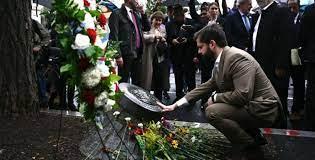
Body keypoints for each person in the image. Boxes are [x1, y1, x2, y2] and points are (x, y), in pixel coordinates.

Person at [158, 24, 284, 159]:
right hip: (252, 105)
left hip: (265, 108)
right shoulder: (223, 59)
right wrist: (175, 105)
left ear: (212, 44)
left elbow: (242, 95)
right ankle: (253, 135)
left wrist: (216, 97)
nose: (199, 52)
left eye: (201, 47)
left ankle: (249, 145)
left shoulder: (237, 58)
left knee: (213, 111)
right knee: (211, 106)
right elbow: (208, 85)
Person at [251, 0, 291, 127]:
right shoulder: (259, 14)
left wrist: (281, 65)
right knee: (263, 100)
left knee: (277, 98)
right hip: (259, 65)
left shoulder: (281, 11)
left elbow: (286, 40)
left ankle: (280, 131)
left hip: (274, 66)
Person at [109, 0, 150, 85]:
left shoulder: (136, 14)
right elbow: (113, 36)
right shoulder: (117, 14)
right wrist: (118, 55)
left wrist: (143, 12)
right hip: (125, 55)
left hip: (138, 53)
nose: (138, 2)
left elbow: (147, 28)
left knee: (137, 84)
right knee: (123, 82)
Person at [166, 5, 197, 101]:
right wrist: (172, 41)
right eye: (176, 14)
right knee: (178, 77)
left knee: (190, 77)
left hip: (189, 54)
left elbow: (195, 37)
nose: (178, 16)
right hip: (176, 55)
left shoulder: (190, 23)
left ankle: (192, 97)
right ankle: (179, 96)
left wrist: (187, 40)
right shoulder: (169, 24)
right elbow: (168, 38)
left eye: (180, 14)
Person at [140, 11, 169, 100]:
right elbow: (144, 37)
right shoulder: (147, 27)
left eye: (160, 20)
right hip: (149, 57)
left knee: (159, 81)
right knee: (147, 80)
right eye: (156, 20)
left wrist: (163, 39)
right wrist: (154, 36)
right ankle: (146, 100)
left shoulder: (163, 29)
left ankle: (158, 100)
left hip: (160, 58)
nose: (158, 22)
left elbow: (165, 41)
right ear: (152, 20)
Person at [287, 0, 305, 120]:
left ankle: (297, 109)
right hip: (287, 54)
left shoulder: (302, 18)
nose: (292, 10)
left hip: (298, 55)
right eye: (290, 7)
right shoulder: (286, 18)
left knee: (298, 83)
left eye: (294, 7)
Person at [300, 1, 315, 131]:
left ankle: (310, 124)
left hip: (313, 57)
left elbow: (302, 34)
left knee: (312, 92)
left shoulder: (310, 10)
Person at [32, 19, 51, 109]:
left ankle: (43, 101)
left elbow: (46, 36)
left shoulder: (33, 23)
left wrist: (39, 46)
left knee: (40, 77)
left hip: (35, 57)